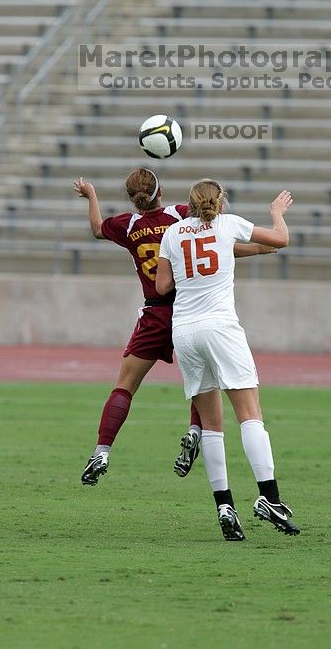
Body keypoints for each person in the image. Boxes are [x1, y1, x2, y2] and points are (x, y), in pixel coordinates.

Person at [74, 168, 273, 485]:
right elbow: (212, 243)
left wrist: (91, 194)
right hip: (189, 311)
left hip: (155, 315)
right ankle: (196, 429)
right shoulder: (179, 215)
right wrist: (258, 248)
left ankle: (102, 450)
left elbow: (98, 228)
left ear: (132, 198)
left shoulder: (128, 224)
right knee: (203, 381)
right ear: (161, 191)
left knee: (125, 385)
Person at [156, 179, 300, 540]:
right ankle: (271, 498)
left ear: (189, 204)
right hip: (220, 328)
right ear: (220, 204)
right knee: (250, 415)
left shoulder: (172, 233)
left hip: (184, 331)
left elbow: (162, 287)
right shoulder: (228, 223)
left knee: (211, 424)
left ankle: (224, 505)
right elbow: (280, 240)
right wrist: (277, 214)